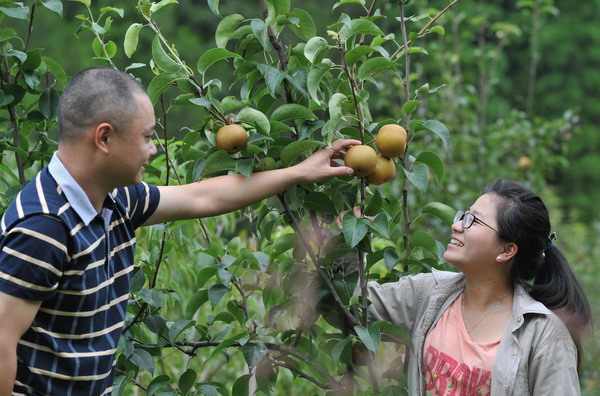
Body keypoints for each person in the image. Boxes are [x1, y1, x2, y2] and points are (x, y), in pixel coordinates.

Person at [0, 67, 361, 396]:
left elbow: (202, 196)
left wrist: (299, 171)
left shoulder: (116, 201)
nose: (154, 150)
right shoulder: (45, 227)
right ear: (104, 138)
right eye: (147, 137)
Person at [366, 180, 591, 395]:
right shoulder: (429, 293)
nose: (456, 225)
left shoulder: (544, 335)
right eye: (463, 215)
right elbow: (353, 303)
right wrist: (340, 233)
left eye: (472, 220)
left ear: (506, 251)